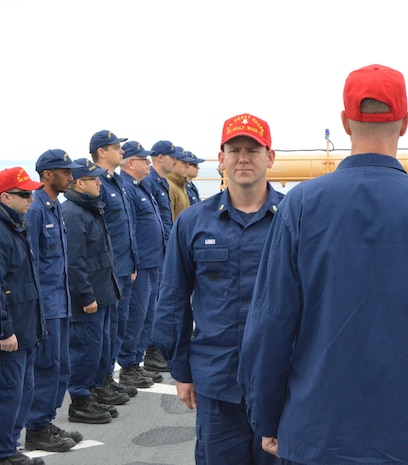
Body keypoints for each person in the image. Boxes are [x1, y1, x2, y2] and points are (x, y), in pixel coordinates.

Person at [238, 64, 408, 465]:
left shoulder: (300, 205)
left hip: (316, 434)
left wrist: (266, 418)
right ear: (405, 123)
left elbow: (270, 323)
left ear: (344, 122)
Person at [153, 113, 283, 465]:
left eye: (253, 150)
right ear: (221, 158)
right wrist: (180, 370)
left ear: (269, 157)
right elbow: (174, 298)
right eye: (234, 149)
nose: (243, 158)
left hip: (281, 385)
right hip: (216, 382)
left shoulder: (293, 219)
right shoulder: (193, 223)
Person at [24, 150, 82, 453]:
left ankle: (45, 420)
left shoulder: (53, 207)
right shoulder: (35, 210)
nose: (71, 177)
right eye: (65, 171)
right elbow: (31, 262)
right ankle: (35, 428)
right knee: (46, 366)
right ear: (48, 174)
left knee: (60, 366)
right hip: (46, 304)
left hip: (61, 300)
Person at [63, 158, 124, 424]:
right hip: (90, 298)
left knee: (101, 346)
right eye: (93, 179)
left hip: (104, 292)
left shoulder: (89, 209)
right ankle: (79, 400)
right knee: (86, 349)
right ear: (79, 183)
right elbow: (74, 261)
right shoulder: (72, 213)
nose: (99, 183)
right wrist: (86, 296)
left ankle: (93, 391)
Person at [0, 167, 46, 465]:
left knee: (23, 390)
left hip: (27, 325)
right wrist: (3, 330)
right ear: (4, 197)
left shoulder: (18, 226)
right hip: (12, 329)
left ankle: (11, 446)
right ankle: (4, 453)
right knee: (8, 392)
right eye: (23, 194)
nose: (31, 198)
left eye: (31, 192)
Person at [89, 130, 139, 401]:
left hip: (123, 266)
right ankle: (99, 382)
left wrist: (132, 262)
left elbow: (126, 228)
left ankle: (107, 377)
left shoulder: (116, 183)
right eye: (116, 147)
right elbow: (98, 233)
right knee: (105, 331)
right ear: (101, 152)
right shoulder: (95, 183)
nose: (122, 151)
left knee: (117, 327)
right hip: (108, 271)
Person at [116, 142, 165, 388]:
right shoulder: (126, 188)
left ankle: (137, 361)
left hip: (153, 261)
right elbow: (130, 229)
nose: (148, 163)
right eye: (144, 160)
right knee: (135, 316)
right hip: (142, 263)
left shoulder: (141, 187)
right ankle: (128, 366)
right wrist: (134, 261)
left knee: (147, 315)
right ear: (130, 163)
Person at [141, 140, 176, 374]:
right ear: (161, 158)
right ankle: (151, 352)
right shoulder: (150, 182)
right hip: (149, 256)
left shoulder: (161, 182)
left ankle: (157, 350)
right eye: (172, 157)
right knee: (149, 307)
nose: (175, 161)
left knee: (158, 304)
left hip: (162, 252)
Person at [165, 147, 196, 221]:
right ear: (173, 162)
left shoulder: (181, 184)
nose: (187, 166)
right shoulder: (169, 186)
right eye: (184, 162)